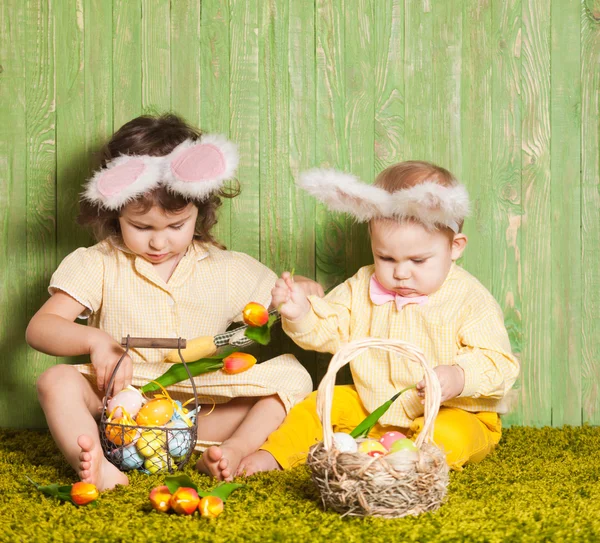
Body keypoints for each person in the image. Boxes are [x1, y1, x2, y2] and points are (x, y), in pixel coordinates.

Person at [26, 114, 318, 490]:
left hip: (203, 407)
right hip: (118, 409)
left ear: (200, 209)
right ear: (115, 210)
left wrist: (305, 290)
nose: (159, 244)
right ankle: (99, 464)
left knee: (294, 377)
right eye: (142, 227)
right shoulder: (96, 263)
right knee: (55, 380)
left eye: (176, 227)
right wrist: (96, 342)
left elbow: (281, 301)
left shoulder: (226, 268)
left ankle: (232, 450)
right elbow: (41, 328)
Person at [239, 161, 520, 474]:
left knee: (449, 437)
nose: (400, 272)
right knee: (317, 405)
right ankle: (274, 456)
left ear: (454, 247)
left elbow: (500, 364)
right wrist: (302, 312)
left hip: (453, 413)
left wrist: (459, 376)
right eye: (386, 257)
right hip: (371, 408)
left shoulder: (469, 299)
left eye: (418, 260)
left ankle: (407, 466)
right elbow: (331, 326)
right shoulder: (362, 285)